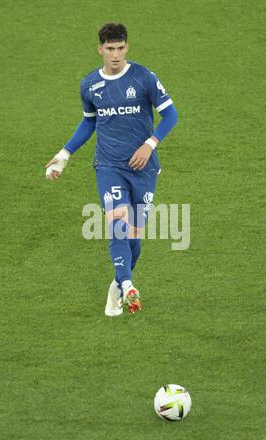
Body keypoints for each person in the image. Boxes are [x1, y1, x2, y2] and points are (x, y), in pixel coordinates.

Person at [45, 23, 178, 316]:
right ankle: (128, 284)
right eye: (109, 49)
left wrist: (150, 144)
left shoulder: (144, 77)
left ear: (126, 48)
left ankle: (117, 285)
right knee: (118, 227)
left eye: (120, 48)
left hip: (144, 168)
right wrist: (64, 154)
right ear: (100, 50)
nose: (115, 55)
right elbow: (89, 122)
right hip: (108, 166)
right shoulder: (90, 85)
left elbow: (170, 114)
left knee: (134, 239)